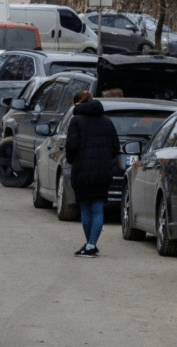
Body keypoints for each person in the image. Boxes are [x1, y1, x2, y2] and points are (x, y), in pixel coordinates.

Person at [65, 90, 120, 257]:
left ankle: (89, 245)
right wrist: (103, 160)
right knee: (97, 208)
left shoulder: (76, 121)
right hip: (103, 172)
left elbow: (71, 147)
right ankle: (90, 244)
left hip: (81, 171)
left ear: (78, 104)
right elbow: (115, 148)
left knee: (85, 208)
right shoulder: (107, 121)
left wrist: (72, 160)